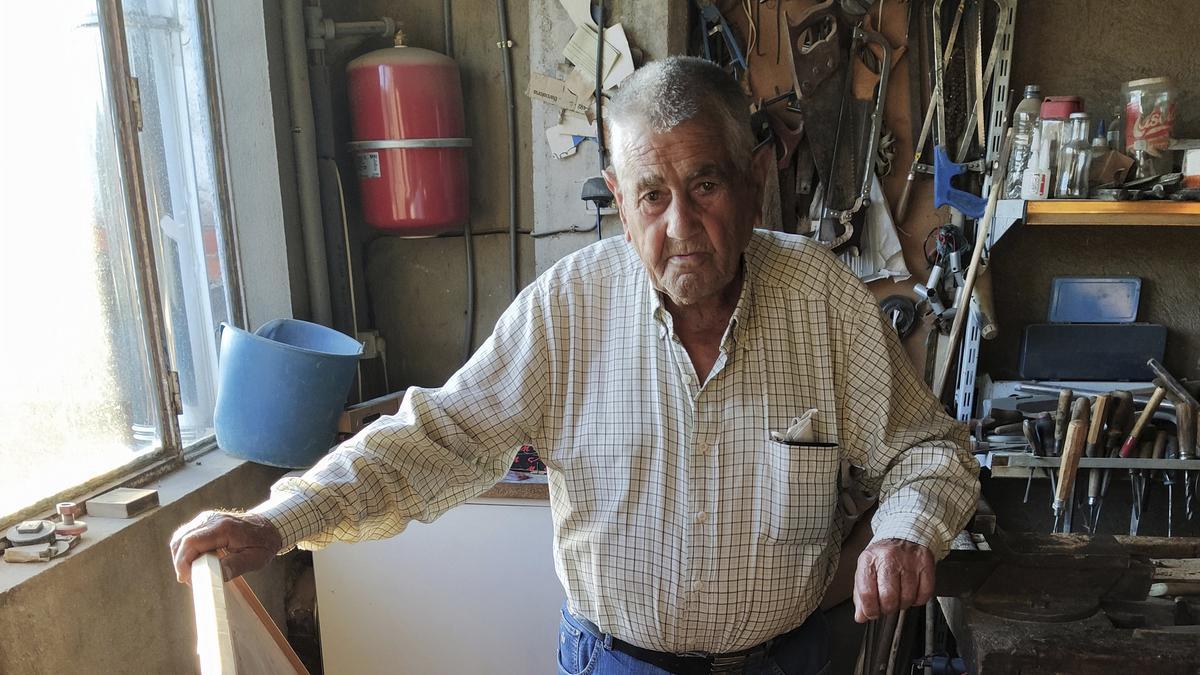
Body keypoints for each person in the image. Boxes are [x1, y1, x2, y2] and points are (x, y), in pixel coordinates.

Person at [172, 56, 979, 675]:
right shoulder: (566, 310)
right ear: (619, 202)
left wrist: (905, 529)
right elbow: (433, 438)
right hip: (613, 663)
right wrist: (277, 521)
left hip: (789, 658)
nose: (680, 225)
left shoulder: (824, 300)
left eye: (704, 185)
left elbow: (929, 450)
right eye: (651, 195)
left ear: (756, 179)